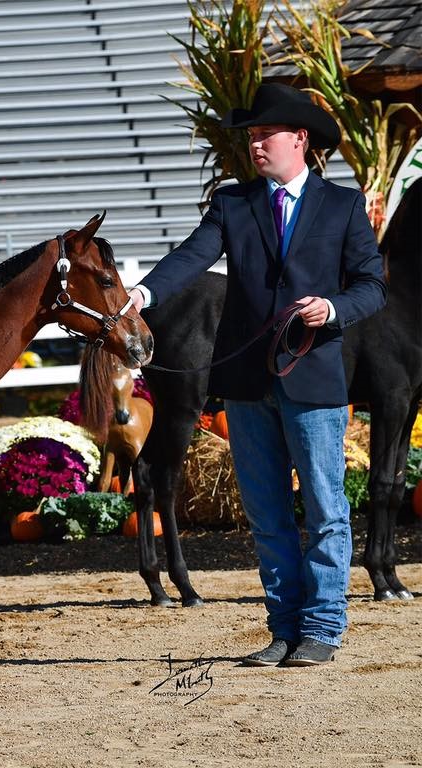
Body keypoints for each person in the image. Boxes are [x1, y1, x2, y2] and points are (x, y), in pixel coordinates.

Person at [127, 83, 385, 666]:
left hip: (313, 376)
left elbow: (371, 285)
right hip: (246, 383)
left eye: (264, 134)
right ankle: (282, 629)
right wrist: (143, 293)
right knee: (267, 515)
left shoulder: (342, 206)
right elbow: (192, 255)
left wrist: (333, 309)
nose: (255, 145)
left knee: (324, 508)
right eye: (250, 137)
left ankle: (321, 628)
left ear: (299, 139)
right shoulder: (233, 202)